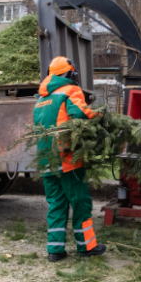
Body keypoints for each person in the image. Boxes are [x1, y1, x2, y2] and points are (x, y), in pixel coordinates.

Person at [34, 56, 108, 262]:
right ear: (70, 74)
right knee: (80, 201)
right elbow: (81, 114)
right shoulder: (70, 91)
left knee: (56, 204)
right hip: (67, 158)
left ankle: (55, 251)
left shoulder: (41, 99)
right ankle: (86, 247)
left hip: (46, 160)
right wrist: (100, 116)